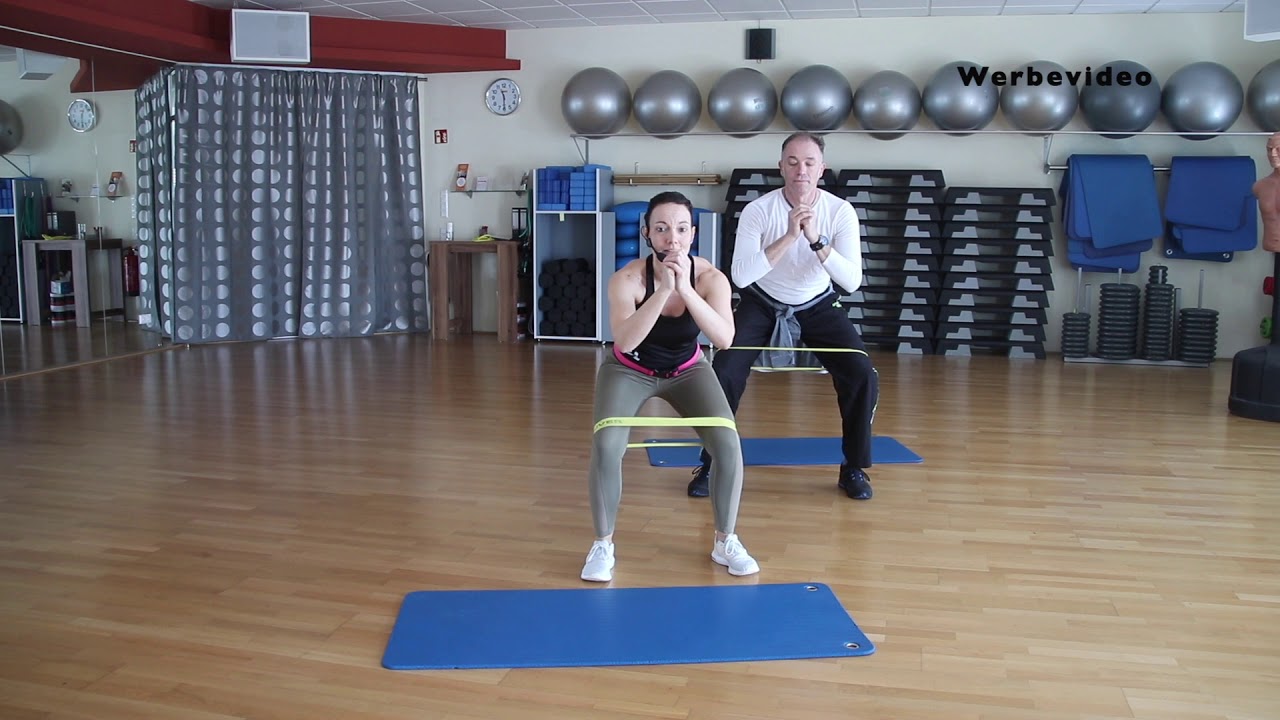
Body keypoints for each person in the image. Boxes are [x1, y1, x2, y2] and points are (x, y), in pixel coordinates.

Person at [687, 131, 879, 502]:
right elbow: (741, 276)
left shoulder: (840, 211)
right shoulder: (759, 210)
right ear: (781, 167)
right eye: (792, 162)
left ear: (821, 169)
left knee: (861, 373)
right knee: (724, 372)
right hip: (761, 302)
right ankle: (712, 464)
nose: (800, 170)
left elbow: (851, 282)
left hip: (818, 304)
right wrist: (790, 235)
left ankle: (853, 466)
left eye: (809, 163)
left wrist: (816, 240)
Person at [581, 191, 760, 582]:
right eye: (661, 229)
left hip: (687, 370)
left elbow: (724, 339)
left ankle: (725, 540)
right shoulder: (627, 279)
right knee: (607, 445)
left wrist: (686, 290)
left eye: (680, 229)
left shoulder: (711, 278)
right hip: (629, 369)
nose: (672, 239)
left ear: (693, 233)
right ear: (646, 233)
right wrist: (663, 289)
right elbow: (625, 341)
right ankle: (602, 543)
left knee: (727, 443)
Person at [1254, 132, 1280, 254]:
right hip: (1271, 246)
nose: (1273, 154)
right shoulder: (1260, 186)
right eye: (1270, 150)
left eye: (1278, 149)